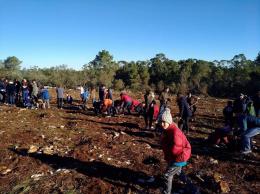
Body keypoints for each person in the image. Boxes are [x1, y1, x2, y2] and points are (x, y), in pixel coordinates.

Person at [160, 108, 191, 194]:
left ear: (169, 122)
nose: (162, 124)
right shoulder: (169, 130)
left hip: (178, 158)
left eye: (164, 122)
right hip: (177, 158)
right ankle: (190, 186)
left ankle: (167, 192)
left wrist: (171, 159)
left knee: (167, 175)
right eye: (161, 122)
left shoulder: (175, 133)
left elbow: (175, 150)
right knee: (179, 173)